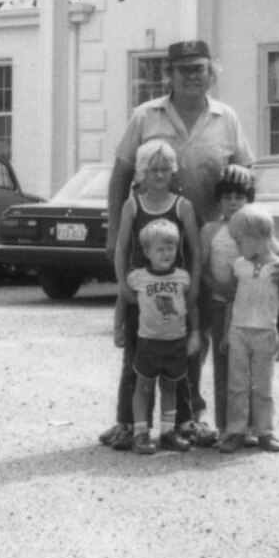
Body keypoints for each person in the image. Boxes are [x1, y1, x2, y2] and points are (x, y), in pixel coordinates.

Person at [102, 41, 256, 448]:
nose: (192, 75)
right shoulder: (145, 116)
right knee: (143, 330)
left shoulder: (228, 119)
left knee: (197, 331)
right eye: (183, 69)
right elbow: (119, 176)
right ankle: (128, 422)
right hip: (150, 246)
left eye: (200, 68)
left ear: (212, 73)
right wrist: (114, 229)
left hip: (209, 244)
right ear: (167, 74)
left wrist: (246, 237)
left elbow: (245, 178)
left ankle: (188, 419)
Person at [99, 137, 207, 450]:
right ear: (142, 173)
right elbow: (121, 248)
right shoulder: (133, 204)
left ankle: (180, 424)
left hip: (175, 293)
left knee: (180, 361)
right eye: (153, 169)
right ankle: (131, 424)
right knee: (135, 359)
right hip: (140, 293)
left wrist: (195, 285)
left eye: (164, 169)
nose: (159, 175)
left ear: (173, 172)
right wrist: (122, 285)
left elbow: (195, 251)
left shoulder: (182, 206)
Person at [215, 203, 279, 454]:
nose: (238, 247)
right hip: (238, 331)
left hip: (264, 333)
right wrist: (227, 332)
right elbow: (231, 299)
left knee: (263, 386)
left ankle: (265, 431)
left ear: (259, 238)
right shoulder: (239, 265)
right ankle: (236, 431)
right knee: (236, 384)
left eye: (240, 241)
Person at [126, 218, 199, 455]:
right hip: (148, 342)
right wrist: (117, 329)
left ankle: (167, 432)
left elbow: (191, 306)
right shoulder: (137, 277)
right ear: (147, 251)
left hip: (175, 341)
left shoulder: (182, 277)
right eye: (160, 249)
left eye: (171, 248)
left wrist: (195, 333)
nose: (166, 253)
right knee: (143, 387)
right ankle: (140, 432)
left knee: (170, 387)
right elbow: (122, 300)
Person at [200, 163, 256, 434]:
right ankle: (226, 428)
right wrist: (219, 288)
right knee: (223, 368)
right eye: (227, 197)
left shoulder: (256, 228)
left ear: (249, 200)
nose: (233, 203)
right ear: (219, 200)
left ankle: (254, 426)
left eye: (239, 197)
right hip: (220, 306)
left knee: (251, 369)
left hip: (251, 309)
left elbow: (274, 257)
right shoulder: (210, 230)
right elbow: (202, 268)